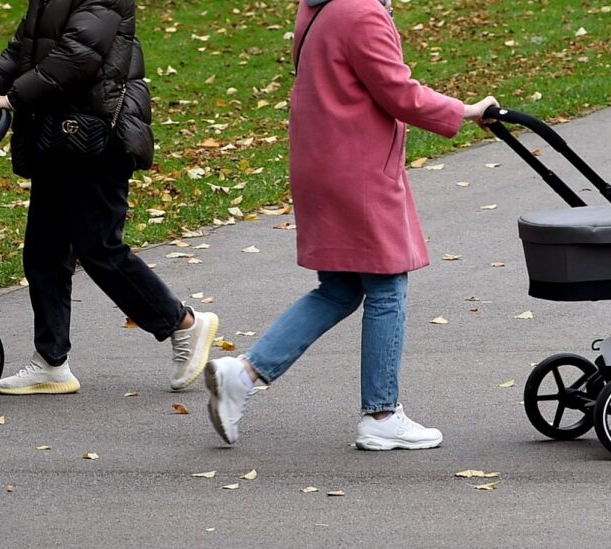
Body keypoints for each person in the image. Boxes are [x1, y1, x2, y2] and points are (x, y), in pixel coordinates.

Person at [204, 0, 498, 448]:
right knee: (387, 285)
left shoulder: (316, 7)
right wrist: (467, 110)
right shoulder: (361, 12)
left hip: (322, 161)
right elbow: (399, 93)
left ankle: (242, 374)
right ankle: (381, 414)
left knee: (340, 289)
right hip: (356, 169)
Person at [0, 0, 218, 395]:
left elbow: (78, 58)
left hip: (96, 140)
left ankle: (183, 324)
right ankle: (51, 363)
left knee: (100, 248)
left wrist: (15, 98)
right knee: (44, 253)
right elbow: (20, 52)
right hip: (57, 140)